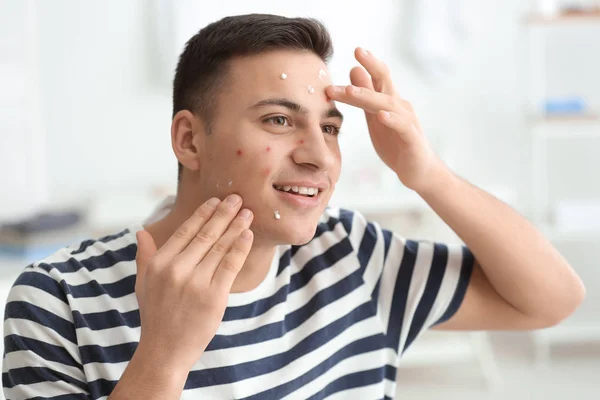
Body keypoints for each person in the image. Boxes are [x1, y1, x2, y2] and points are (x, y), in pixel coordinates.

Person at [3, 13, 585, 400]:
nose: (319, 157)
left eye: (330, 128)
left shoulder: (351, 254)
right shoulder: (56, 300)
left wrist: (424, 172)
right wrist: (163, 356)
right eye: (279, 120)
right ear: (188, 140)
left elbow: (554, 298)